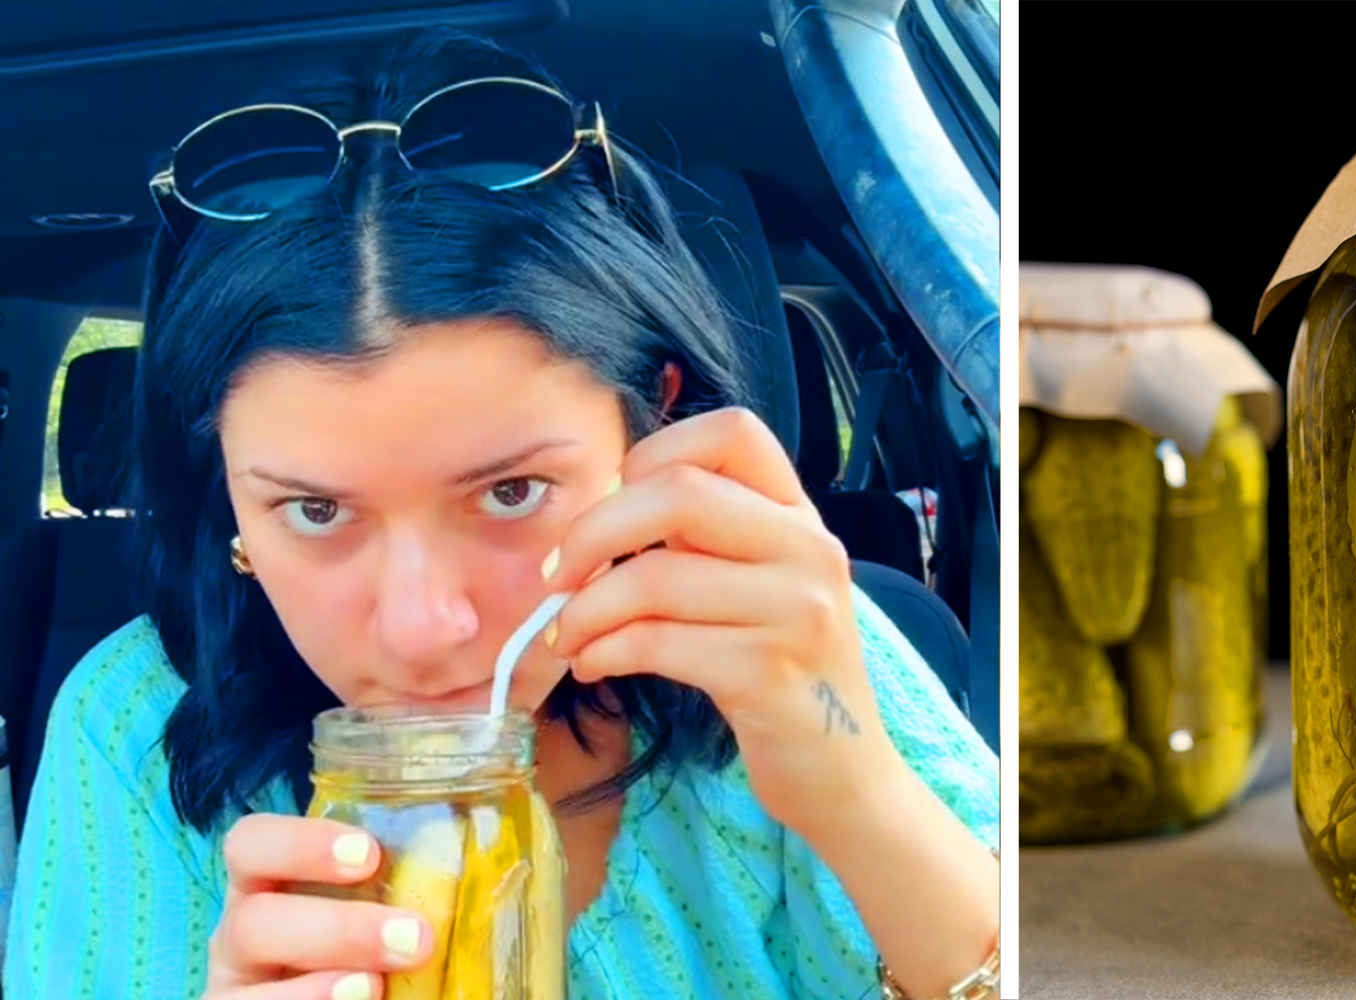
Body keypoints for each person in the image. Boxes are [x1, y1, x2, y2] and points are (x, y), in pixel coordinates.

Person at [2, 28, 999, 1000]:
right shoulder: (136, 727)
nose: (422, 628)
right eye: (313, 508)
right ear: (226, 492)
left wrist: (855, 789)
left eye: (510, 492)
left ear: (646, 426)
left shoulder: (789, 641)